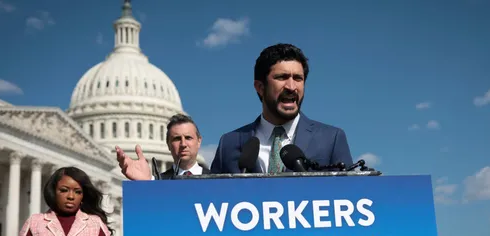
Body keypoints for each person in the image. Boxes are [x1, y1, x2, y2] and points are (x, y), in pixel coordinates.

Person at [210, 43, 353, 174]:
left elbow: (348, 194)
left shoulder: (331, 138)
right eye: (282, 77)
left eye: (298, 78)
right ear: (260, 87)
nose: (291, 87)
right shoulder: (228, 143)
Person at [116, 114, 210, 179]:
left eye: (188, 138)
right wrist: (146, 185)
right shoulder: (157, 183)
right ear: (168, 144)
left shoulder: (219, 180)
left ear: (199, 141)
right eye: (177, 139)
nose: (183, 144)